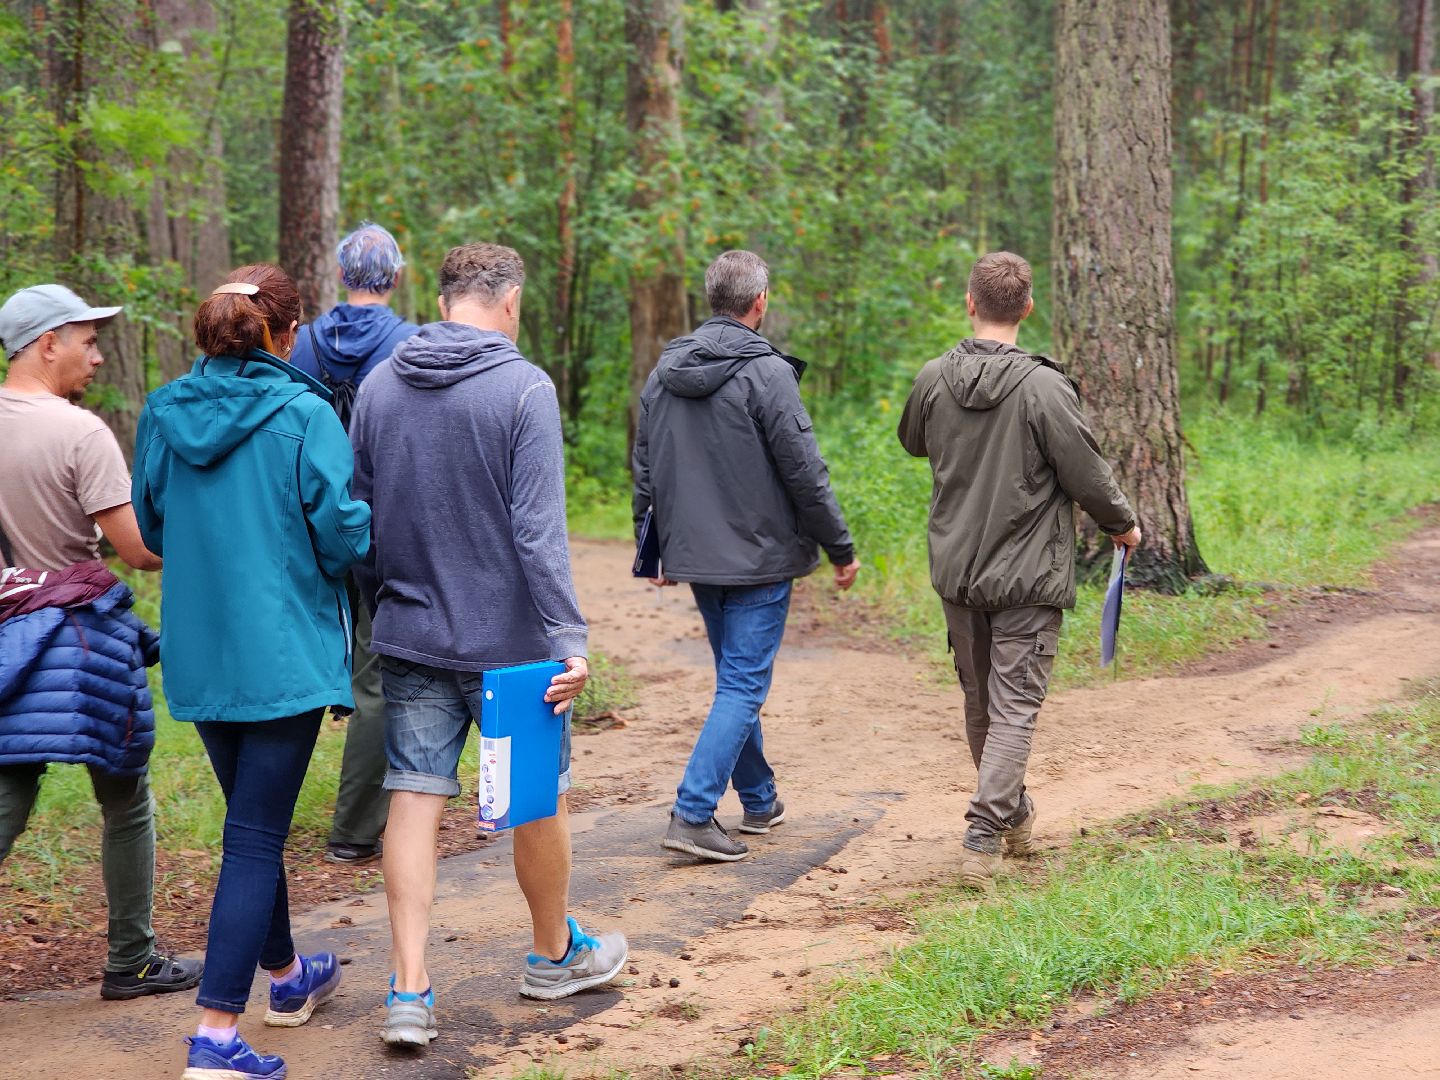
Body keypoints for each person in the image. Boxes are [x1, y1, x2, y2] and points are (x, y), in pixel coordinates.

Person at [350, 241, 627, 1049]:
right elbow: (539, 531)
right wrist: (568, 638)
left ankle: (407, 988)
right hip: (512, 648)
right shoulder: (523, 388)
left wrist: (382, 608)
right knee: (537, 798)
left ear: (442, 302)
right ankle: (549, 956)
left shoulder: (378, 386)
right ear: (508, 302)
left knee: (412, 796)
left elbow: (359, 523)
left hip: (410, 635)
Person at [132, 264, 371, 1079]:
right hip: (283, 656)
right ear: (286, 334)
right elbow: (342, 536)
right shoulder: (305, 411)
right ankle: (217, 1037)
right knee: (254, 835)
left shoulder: (162, 412)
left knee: (250, 825)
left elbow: (154, 525)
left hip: (202, 650)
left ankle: (288, 978)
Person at [896, 251, 1141, 891]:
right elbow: (1085, 473)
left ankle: (1014, 811)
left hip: (958, 570)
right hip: (1027, 572)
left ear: (970, 304)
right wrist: (1123, 524)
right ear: (1027, 308)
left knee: (983, 701)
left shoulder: (932, 378)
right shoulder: (1044, 388)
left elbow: (913, 442)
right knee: (1013, 707)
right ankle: (985, 828)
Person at [0, 283, 203, 1001]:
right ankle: (133, 959)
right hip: (82, 643)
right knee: (124, 797)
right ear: (46, 343)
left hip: (8, 641)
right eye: (86, 340)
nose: (97, 353)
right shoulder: (79, 433)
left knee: (8, 792)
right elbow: (140, 551)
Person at [632, 249, 861, 864]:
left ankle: (759, 800)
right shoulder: (767, 373)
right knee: (741, 684)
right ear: (759, 302)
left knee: (736, 679)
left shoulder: (664, 372)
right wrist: (841, 546)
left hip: (700, 559)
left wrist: (649, 546)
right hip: (758, 559)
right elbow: (805, 472)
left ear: (713, 301)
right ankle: (693, 811)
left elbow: (645, 465)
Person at [289, 222, 420, 866]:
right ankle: (355, 830)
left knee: (308, 666)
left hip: (313, 526)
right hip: (383, 527)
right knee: (373, 675)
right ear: (394, 277)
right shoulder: (411, 345)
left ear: (340, 275)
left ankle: (266, 811)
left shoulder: (304, 344)